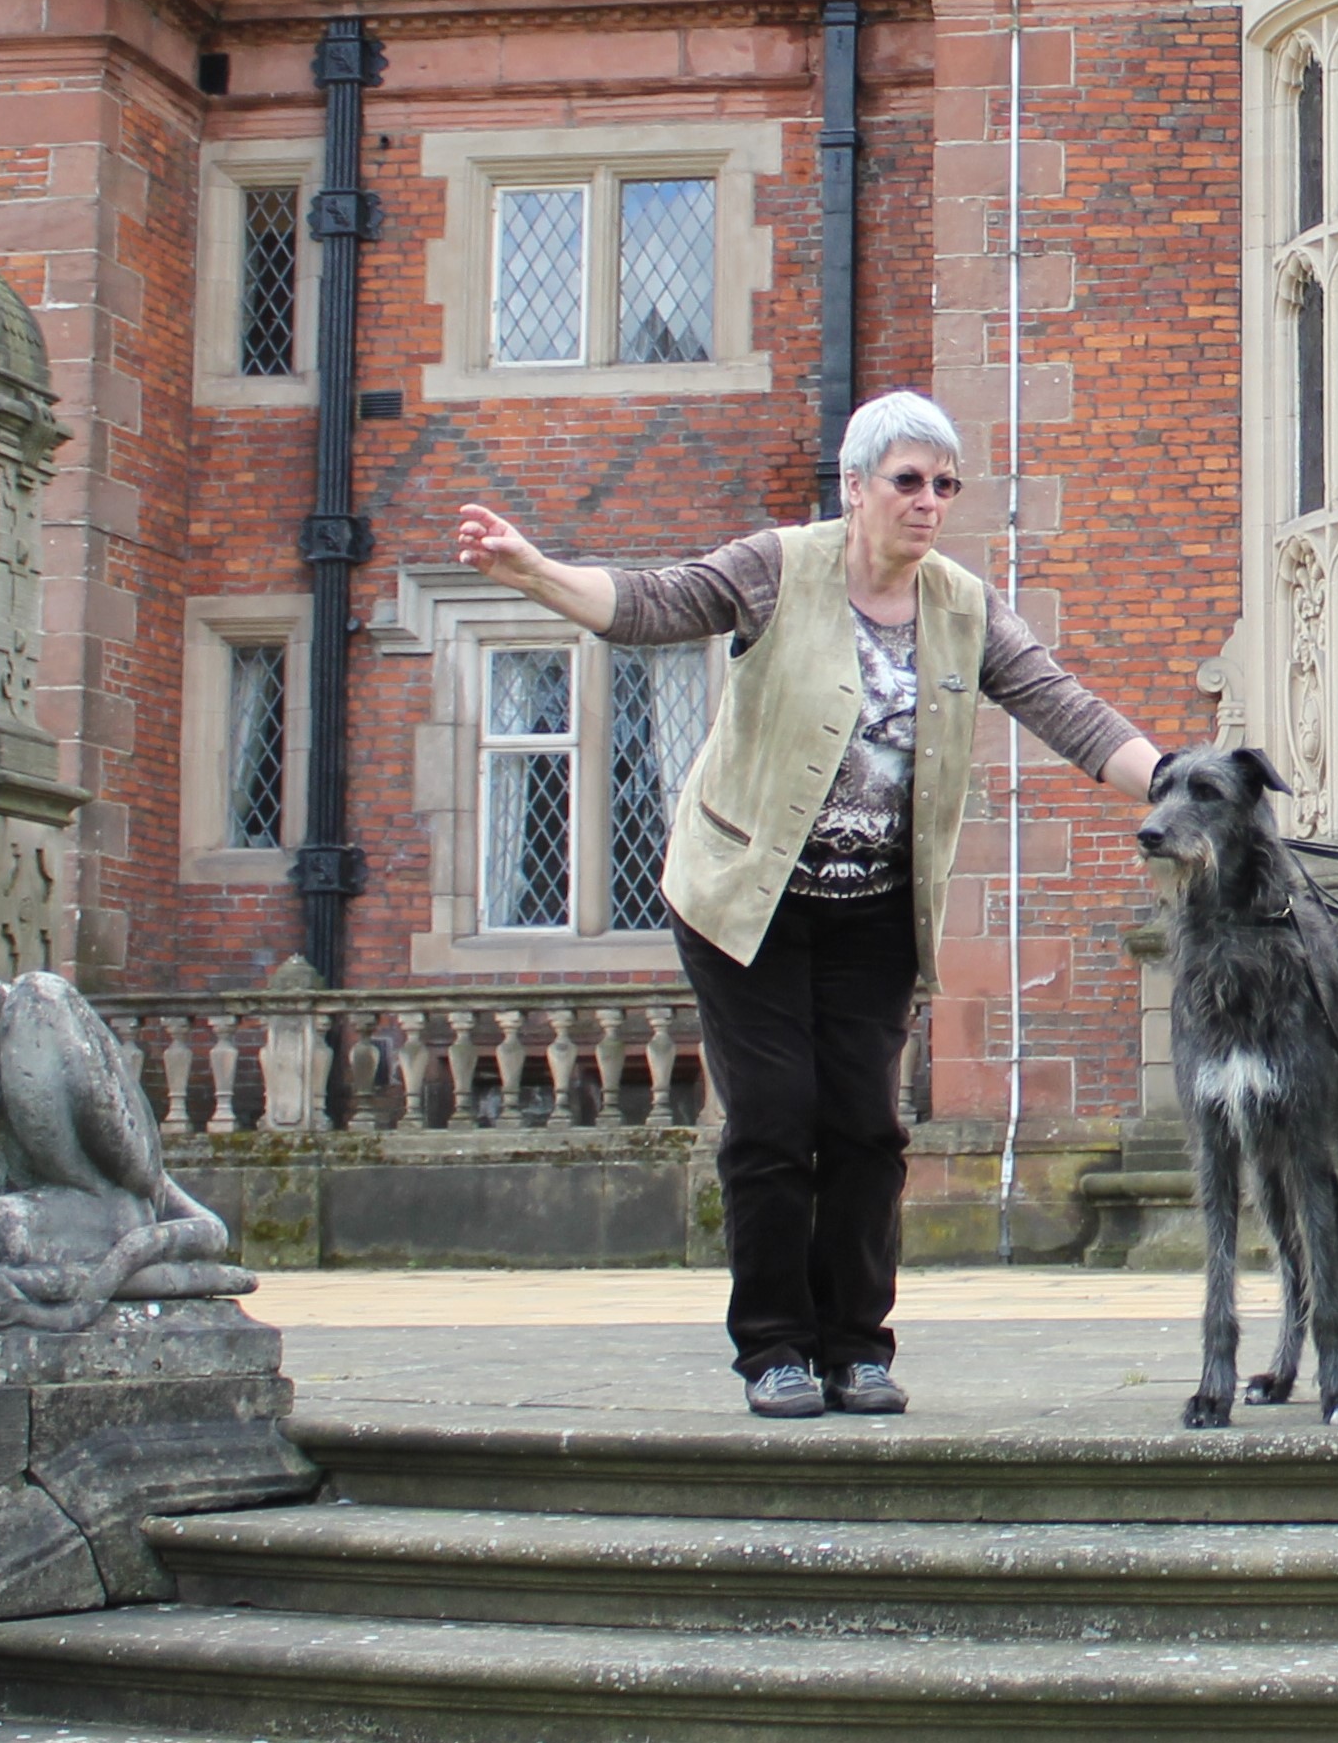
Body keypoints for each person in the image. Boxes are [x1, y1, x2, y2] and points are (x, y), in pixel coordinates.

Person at [452, 391, 1159, 1419]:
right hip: (748, 902)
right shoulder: (776, 568)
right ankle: (776, 1348)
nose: (929, 501)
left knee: (866, 1128)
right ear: (855, 485)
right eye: (908, 480)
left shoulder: (962, 606)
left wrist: (1177, 781)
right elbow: (655, 603)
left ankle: (857, 1349)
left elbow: (1066, 709)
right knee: (775, 1120)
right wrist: (534, 571)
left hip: (874, 910)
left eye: (945, 485)